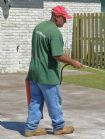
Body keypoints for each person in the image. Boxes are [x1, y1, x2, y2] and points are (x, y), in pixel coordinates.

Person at [24, 5, 83, 137]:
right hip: (47, 74)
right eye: (64, 18)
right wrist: (74, 62)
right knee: (54, 102)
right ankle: (58, 127)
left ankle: (30, 128)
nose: (65, 21)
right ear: (56, 17)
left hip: (34, 73)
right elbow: (57, 55)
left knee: (36, 101)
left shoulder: (39, 27)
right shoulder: (54, 32)